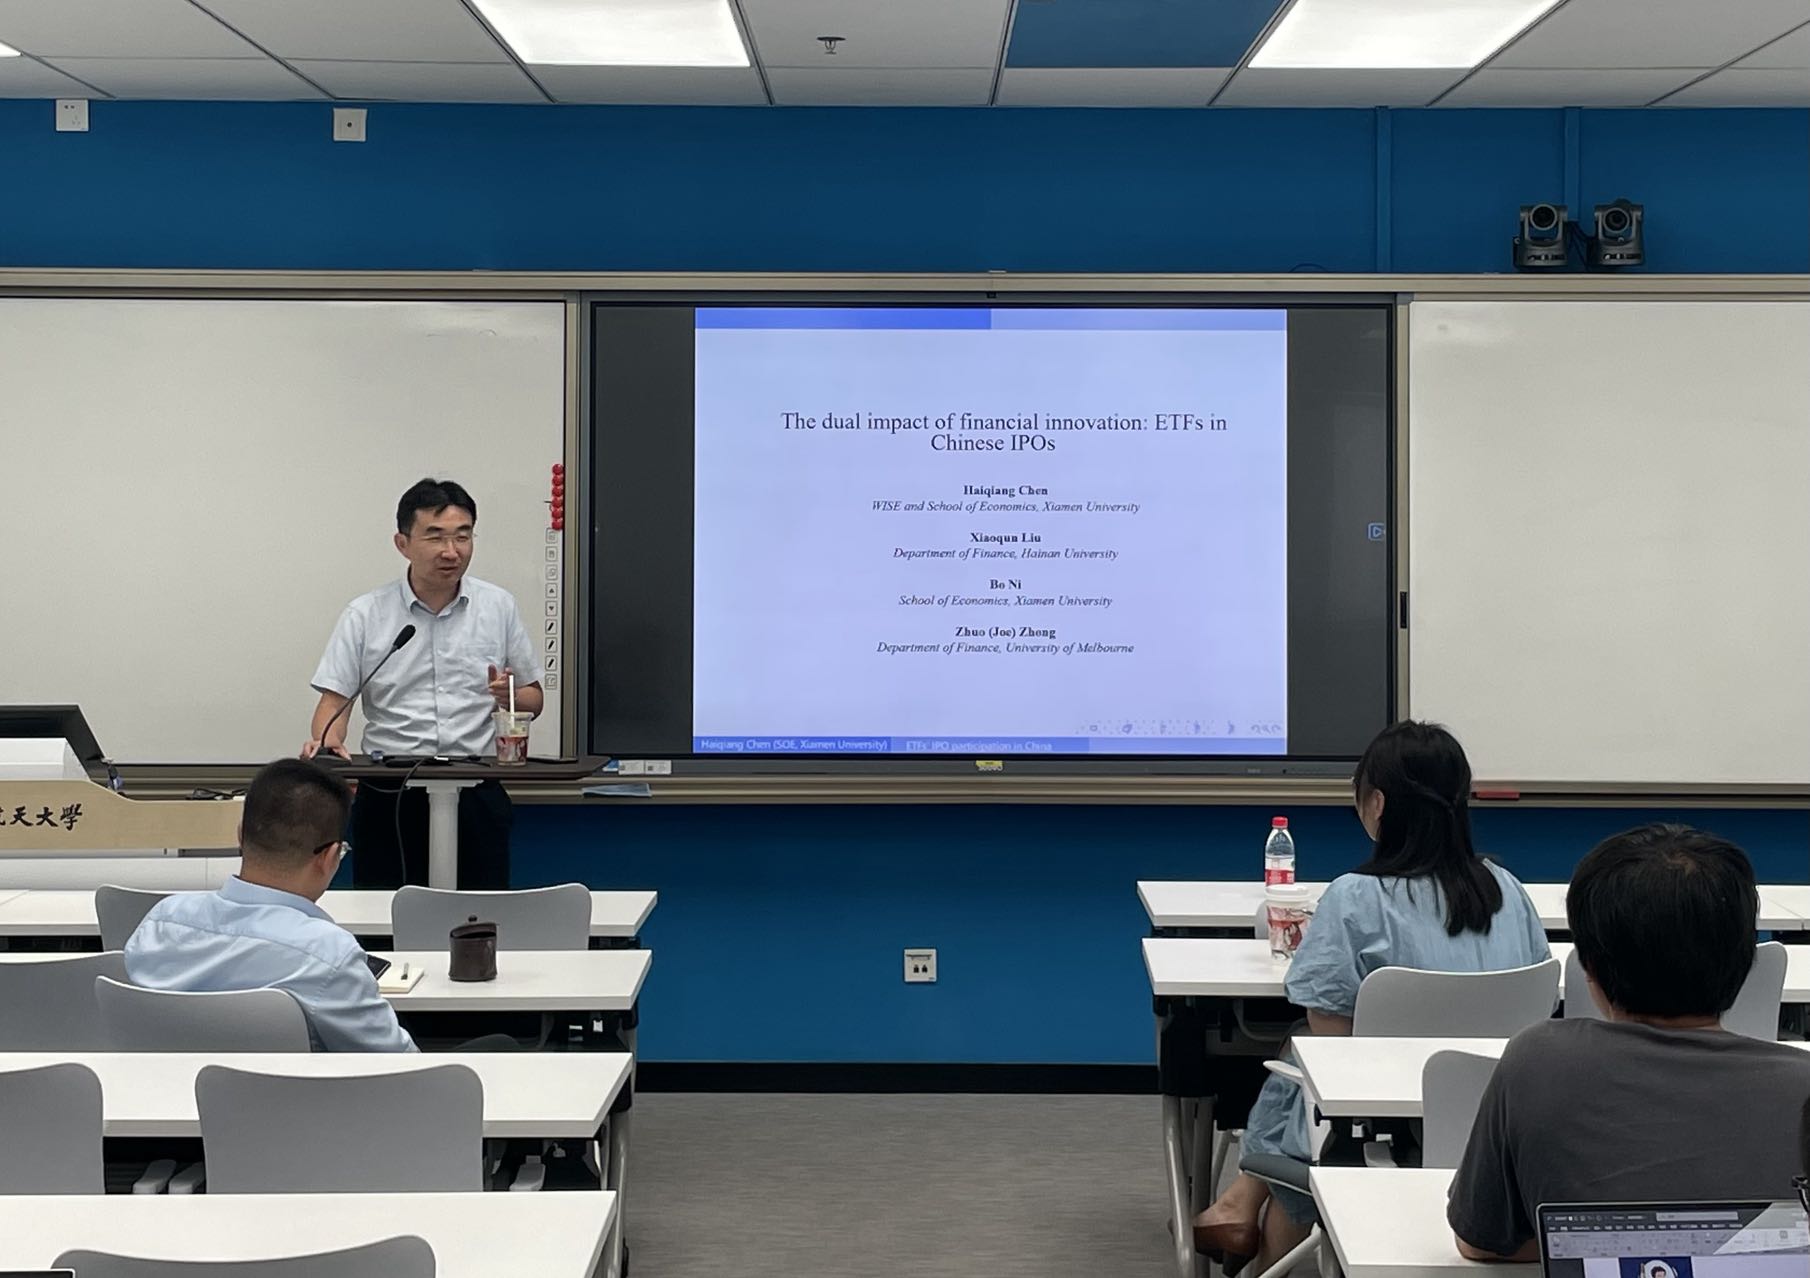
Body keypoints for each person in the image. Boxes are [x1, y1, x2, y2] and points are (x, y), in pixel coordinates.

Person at [1194, 721, 1550, 1274]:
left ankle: (1247, 1199)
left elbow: (1333, 1042)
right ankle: (1242, 1198)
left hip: (1381, 1116)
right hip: (1502, 1113)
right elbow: (1541, 1009)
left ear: (1378, 803)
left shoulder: (1355, 897)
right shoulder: (1508, 890)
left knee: (1305, 1056)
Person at [1449, 823, 1810, 1262]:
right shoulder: (1801, 1085)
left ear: (1589, 967)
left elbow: (1480, 1241)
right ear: (1745, 960)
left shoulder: (1539, 1061)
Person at [303, 478, 543, 888]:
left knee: (478, 916)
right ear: (403, 543)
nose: (452, 551)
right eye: (435, 537)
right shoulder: (366, 614)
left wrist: (509, 695)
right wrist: (328, 743)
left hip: (475, 789)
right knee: (387, 916)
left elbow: (533, 700)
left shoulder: (498, 607)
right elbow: (334, 702)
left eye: (463, 536)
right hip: (390, 793)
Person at [125, 758, 416, 1052]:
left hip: (159, 1082)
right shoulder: (330, 955)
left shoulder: (161, 923)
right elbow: (401, 1063)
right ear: (329, 857)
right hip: (289, 1085)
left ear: (241, 835)